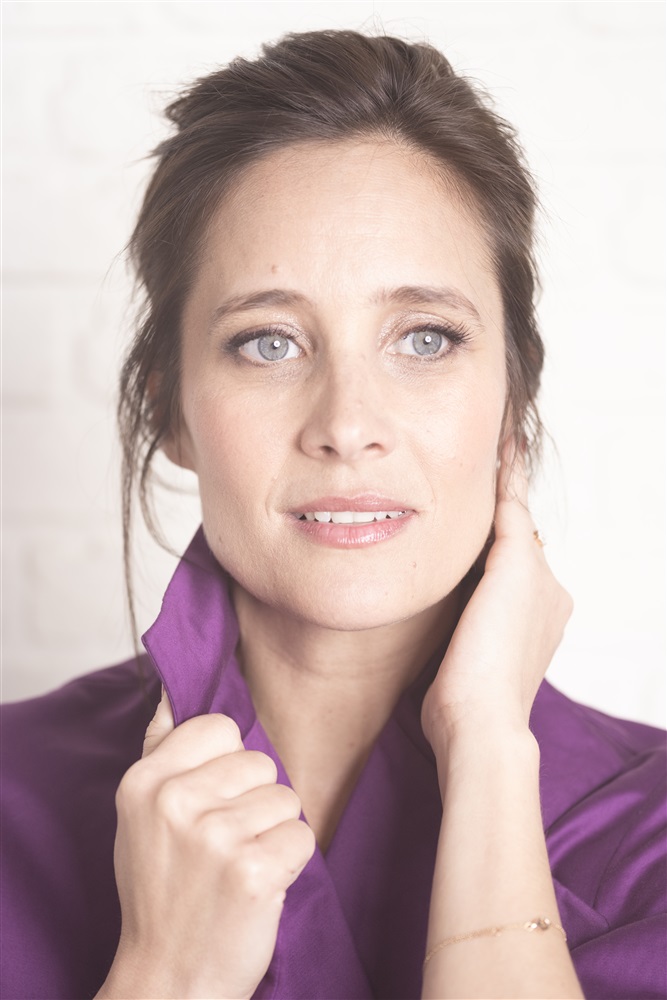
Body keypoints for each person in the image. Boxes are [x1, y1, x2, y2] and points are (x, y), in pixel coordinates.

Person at [1, 28, 665, 1000]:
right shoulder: (14, 790)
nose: (347, 426)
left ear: (513, 400)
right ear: (168, 409)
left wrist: (487, 751)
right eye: (268, 343)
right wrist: (165, 972)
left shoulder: (648, 829)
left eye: (425, 338)